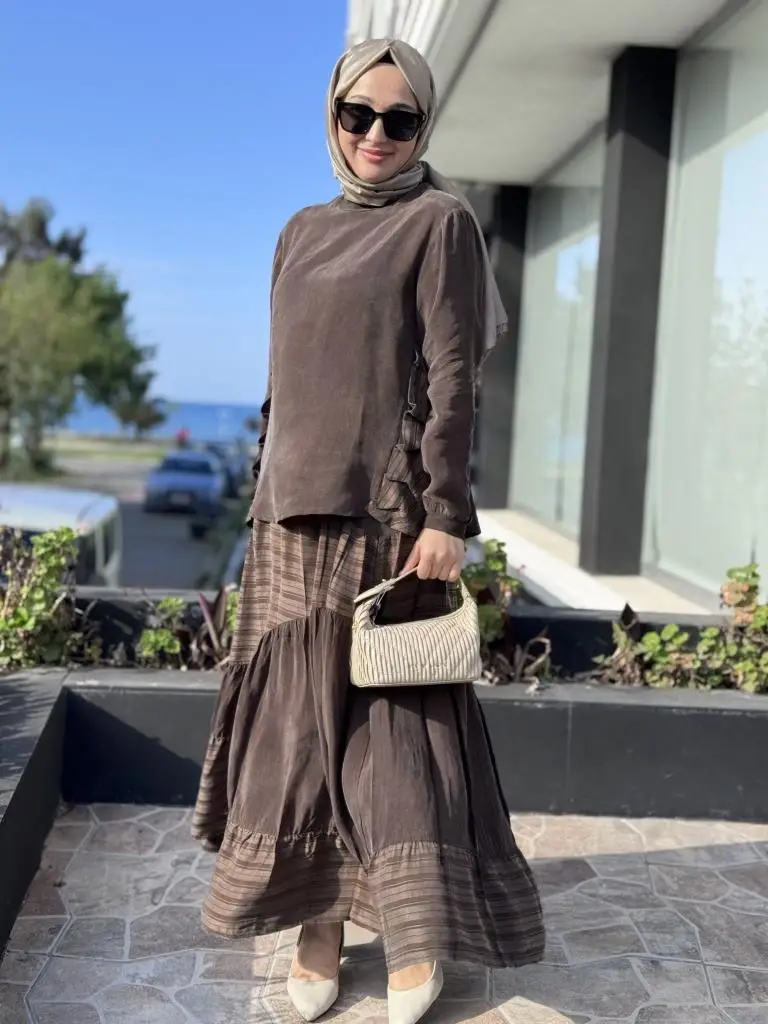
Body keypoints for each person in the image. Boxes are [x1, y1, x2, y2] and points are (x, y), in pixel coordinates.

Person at [192, 37, 545, 1024]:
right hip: (287, 518)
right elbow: (283, 382)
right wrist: (260, 494)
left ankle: (414, 935)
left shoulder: (441, 223)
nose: (375, 135)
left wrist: (446, 516)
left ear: (424, 126)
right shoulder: (299, 231)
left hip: (385, 518)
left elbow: (454, 380)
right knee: (301, 734)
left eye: (400, 118)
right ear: (333, 116)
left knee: (394, 738)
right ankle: (316, 924)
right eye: (358, 115)